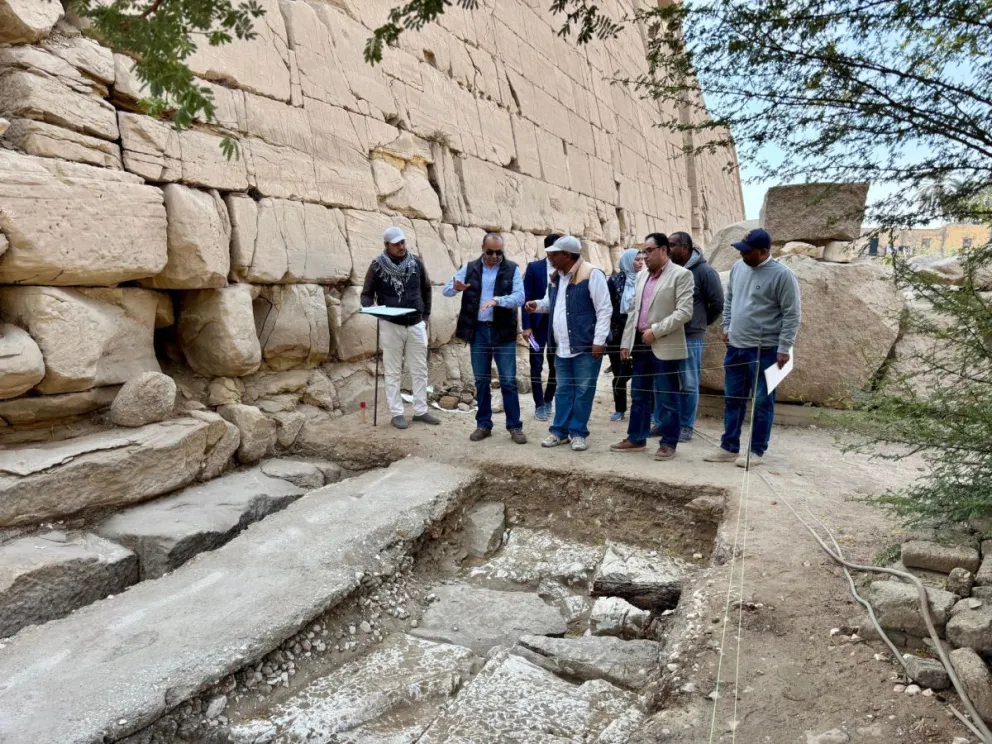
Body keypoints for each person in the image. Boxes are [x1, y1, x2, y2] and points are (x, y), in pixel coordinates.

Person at [703, 228, 801, 468]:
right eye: (741, 250)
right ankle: (729, 446)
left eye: (747, 251)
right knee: (732, 399)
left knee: (762, 402)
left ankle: (755, 451)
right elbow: (730, 300)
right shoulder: (738, 268)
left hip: (765, 351)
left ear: (764, 251)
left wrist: (783, 348)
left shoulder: (782, 276)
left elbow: (792, 314)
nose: (742, 255)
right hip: (735, 348)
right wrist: (727, 327)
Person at [524, 235, 612, 452]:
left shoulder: (592, 274)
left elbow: (604, 309)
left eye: (554, 253)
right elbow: (553, 303)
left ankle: (578, 432)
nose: (549, 256)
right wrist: (537, 305)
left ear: (567, 255)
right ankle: (559, 431)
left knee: (583, 390)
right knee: (563, 390)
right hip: (561, 346)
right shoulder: (556, 277)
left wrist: (599, 341)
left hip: (584, 345)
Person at [610, 233, 693, 460]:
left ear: (663, 250)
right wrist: (626, 343)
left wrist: (655, 331)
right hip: (640, 344)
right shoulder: (641, 276)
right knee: (639, 393)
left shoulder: (681, 275)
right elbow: (634, 311)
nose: (644, 256)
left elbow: (685, 312)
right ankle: (636, 438)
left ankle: (668, 443)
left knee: (667, 396)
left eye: (649, 251)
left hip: (664, 344)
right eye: (643, 251)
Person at [444, 233, 527, 444]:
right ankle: (483, 425)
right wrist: (456, 287)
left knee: (508, 381)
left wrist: (497, 301)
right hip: (479, 331)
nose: (495, 256)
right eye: (490, 251)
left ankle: (515, 426)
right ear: (483, 248)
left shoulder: (512, 268)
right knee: (481, 381)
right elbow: (446, 290)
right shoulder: (471, 267)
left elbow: (520, 297)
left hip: (503, 331)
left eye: (499, 252)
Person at [360, 226, 440, 429]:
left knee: (420, 369)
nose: (401, 247)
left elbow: (426, 289)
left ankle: (421, 411)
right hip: (391, 324)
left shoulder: (416, 263)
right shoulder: (377, 266)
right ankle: (397, 413)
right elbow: (366, 293)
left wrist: (426, 316)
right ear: (386, 245)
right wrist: (370, 309)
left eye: (403, 242)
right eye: (396, 244)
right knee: (393, 370)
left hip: (415, 323)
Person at [669, 231, 724, 441]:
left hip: (691, 336)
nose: (669, 248)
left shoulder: (704, 272)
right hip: (669, 335)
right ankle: (666, 422)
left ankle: (686, 426)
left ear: (685, 247)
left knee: (689, 382)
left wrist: (700, 322)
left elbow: (717, 303)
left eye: (673, 245)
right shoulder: (670, 270)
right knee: (667, 382)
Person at [521, 234, 562, 422]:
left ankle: (548, 400)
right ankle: (538, 404)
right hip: (537, 325)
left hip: (558, 325)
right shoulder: (534, 268)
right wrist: (526, 326)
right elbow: (526, 297)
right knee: (536, 365)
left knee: (555, 365)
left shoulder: (567, 269)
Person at [605, 249, 644, 421]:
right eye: (637, 260)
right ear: (628, 261)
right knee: (619, 375)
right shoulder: (614, 280)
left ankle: (643, 409)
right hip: (617, 332)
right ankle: (620, 409)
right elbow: (607, 306)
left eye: (643, 259)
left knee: (640, 372)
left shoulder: (645, 280)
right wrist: (623, 321)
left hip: (639, 333)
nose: (641, 263)